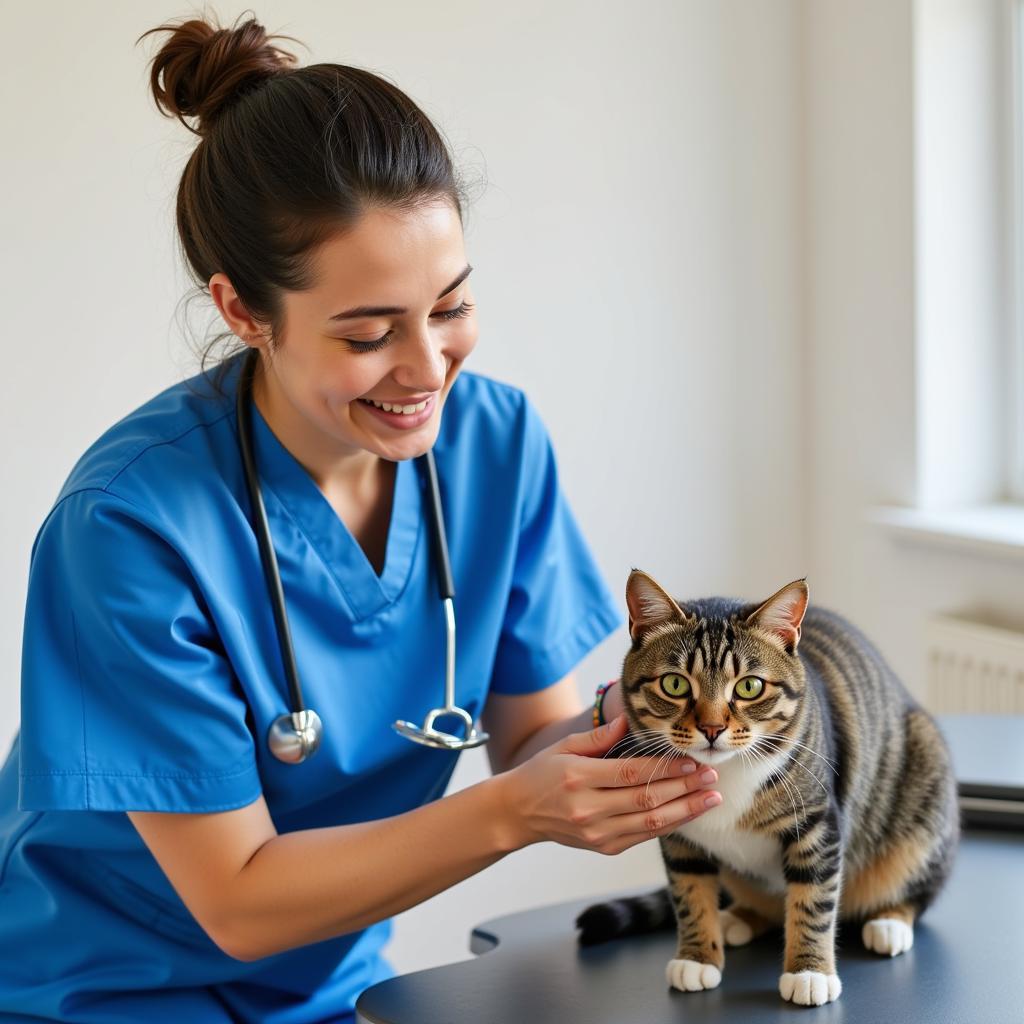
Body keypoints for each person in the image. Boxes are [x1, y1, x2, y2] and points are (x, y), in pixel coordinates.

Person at [0, 13, 722, 1023]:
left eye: (450, 306)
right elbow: (240, 902)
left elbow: (532, 741)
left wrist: (655, 728)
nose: (428, 370)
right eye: (370, 332)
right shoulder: (129, 526)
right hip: (95, 991)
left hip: (333, 992)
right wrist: (516, 813)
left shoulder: (495, 444)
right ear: (244, 311)